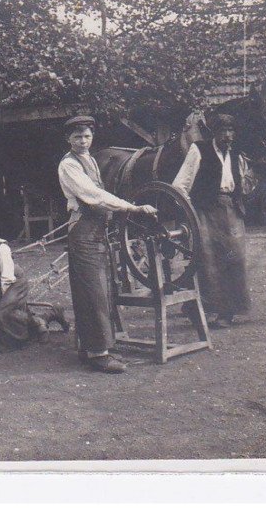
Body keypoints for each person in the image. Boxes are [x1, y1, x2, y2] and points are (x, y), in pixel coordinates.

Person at [58, 116, 157, 373]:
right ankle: (98, 354)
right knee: (92, 292)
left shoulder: (89, 160)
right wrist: (132, 207)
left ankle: (90, 346)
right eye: (77, 136)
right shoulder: (69, 165)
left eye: (87, 136)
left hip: (98, 230)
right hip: (83, 232)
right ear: (68, 139)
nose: (83, 141)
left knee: (102, 290)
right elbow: (94, 196)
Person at [172, 112, 251, 327]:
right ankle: (214, 311)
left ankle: (231, 309)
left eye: (231, 131)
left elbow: (243, 183)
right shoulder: (199, 150)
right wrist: (191, 213)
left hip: (231, 211)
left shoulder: (236, 155)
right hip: (205, 211)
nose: (227, 136)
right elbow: (180, 185)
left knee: (236, 258)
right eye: (222, 131)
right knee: (208, 261)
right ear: (213, 133)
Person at [0, 216, 67, 350]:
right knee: (12, 314)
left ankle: (20, 341)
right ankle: (48, 316)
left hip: (15, 282)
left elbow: (7, 278)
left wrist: (5, 304)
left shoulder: (1, 247)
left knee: (1, 313)